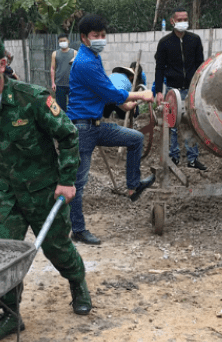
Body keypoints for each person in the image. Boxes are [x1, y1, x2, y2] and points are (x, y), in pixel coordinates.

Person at [0, 29, 92, 342]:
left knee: (57, 248)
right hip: (5, 193)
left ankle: (77, 283)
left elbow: (69, 135)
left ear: (2, 63)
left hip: (44, 191)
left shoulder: (31, 98)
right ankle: (10, 316)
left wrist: (66, 180)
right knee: (4, 256)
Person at [67, 13, 156, 245]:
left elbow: (102, 89)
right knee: (79, 183)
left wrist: (123, 104)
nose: (101, 39)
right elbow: (109, 92)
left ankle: (133, 186)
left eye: (103, 35)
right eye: (96, 35)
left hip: (95, 126)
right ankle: (77, 229)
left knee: (135, 138)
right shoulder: (85, 62)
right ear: (84, 37)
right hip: (82, 128)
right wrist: (140, 94)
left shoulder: (92, 56)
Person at [154, 8, 207, 170]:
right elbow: (159, 68)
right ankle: (174, 157)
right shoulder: (165, 43)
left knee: (191, 124)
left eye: (186, 18)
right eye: (180, 19)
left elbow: (200, 65)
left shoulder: (195, 40)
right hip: (172, 90)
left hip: (191, 90)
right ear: (172, 21)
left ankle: (192, 159)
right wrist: (158, 91)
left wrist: (199, 87)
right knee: (173, 125)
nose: (183, 22)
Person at [50, 34, 75, 112]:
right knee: (61, 108)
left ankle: (73, 122)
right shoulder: (55, 53)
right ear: (58, 42)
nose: (62, 42)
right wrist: (53, 83)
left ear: (68, 41)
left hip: (72, 84)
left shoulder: (74, 53)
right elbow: (52, 68)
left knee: (73, 106)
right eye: (60, 41)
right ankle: (63, 123)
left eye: (64, 41)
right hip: (59, 84)